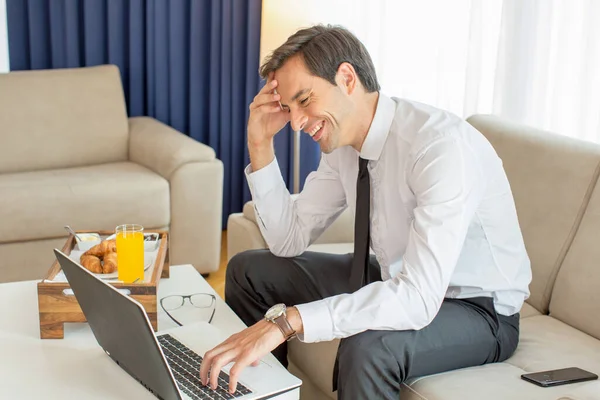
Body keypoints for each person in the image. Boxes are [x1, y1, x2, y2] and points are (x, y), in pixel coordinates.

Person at [199, 25, 532, 399]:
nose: (295, 123)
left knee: (367, 349)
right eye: (288, 108)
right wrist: (259, 143)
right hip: (393, 278)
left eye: (304, 100)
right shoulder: (342, 145)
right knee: (251, 270)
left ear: (346, 78)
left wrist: (288, 322)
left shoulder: (438, 149)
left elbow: (419, 299)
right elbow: (286, 240)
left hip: (476, 310)